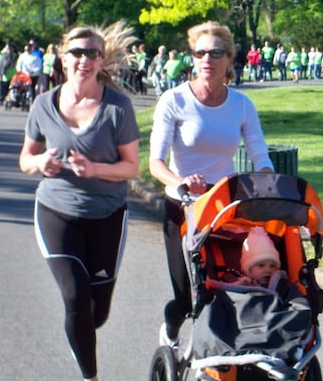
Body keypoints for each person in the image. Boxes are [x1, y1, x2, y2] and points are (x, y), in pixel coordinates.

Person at [18, 21, 140, 381]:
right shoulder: (44, 104)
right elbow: (26, 159)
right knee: (74, 296)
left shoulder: (117, 107)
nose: (84, 59)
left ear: (102, 61)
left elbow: (130, 168)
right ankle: (91, 377)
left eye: (92, 53)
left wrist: (96, 169)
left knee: (95, 313)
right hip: (57, 211)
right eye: (77, 52)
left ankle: (83, 326)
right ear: (62, 56)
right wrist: (40, 162)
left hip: (107, 216)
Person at [149, 20, 275, 350]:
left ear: (230, 60)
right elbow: (156, 163)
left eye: (215, 52)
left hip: (224, 211)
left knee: (231, 288)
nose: (207, 59)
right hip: (182, 210)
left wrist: (265, 178)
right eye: (200, 52)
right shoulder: (173, 100)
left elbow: (259, 153)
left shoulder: (241, 105)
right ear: (192, 58)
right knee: (186, 299)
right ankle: (171, 333)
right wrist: (180, 183)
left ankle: (225, 353)